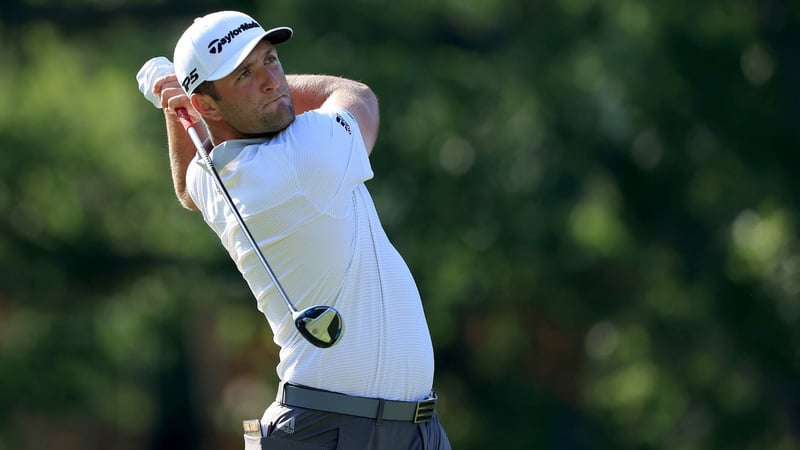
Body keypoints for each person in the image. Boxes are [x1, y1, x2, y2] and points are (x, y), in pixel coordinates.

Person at [136, 10, 451, 450]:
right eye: (245, 74)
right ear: (207, 106)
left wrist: (182, 110)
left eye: (270, 60)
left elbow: (190, 179)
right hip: (329, 429)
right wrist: (187, 105)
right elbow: (354, 94)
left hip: (408, 429)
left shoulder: (217, 176)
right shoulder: (306, 152)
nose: (271, 80)